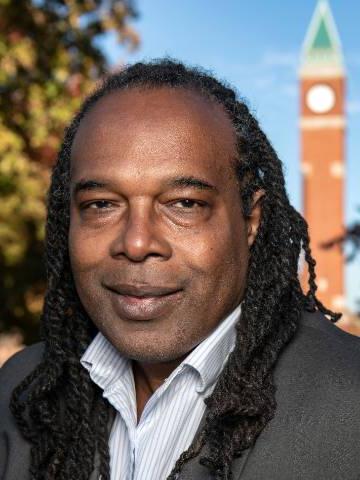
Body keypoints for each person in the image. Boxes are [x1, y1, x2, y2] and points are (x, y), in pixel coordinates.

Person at [1, 59, 359, 480]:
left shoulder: (349, 402)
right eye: (101, 205)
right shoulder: (21, 392)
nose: (136, 243)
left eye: (184, 204)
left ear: (250, 221)